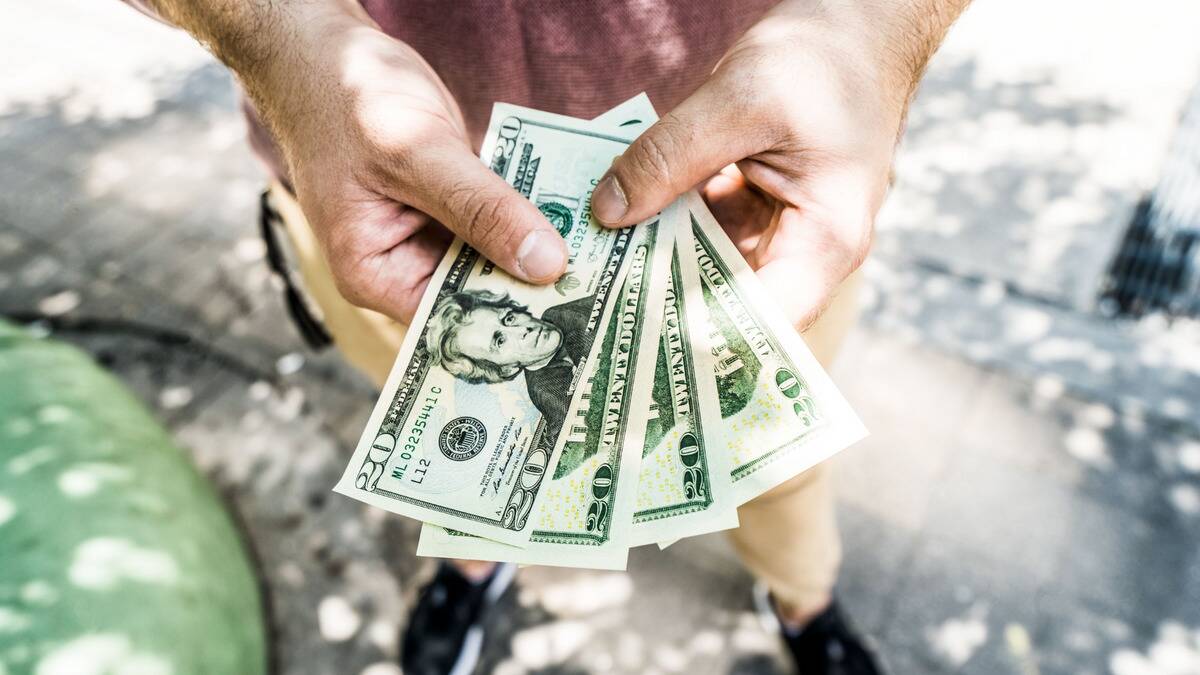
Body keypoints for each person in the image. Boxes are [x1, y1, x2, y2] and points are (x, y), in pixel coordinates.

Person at [122, 1, 971, 673]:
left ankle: (802, 596)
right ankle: (472, 559)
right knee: (460, 460)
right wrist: (276, 34)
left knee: (775, 462)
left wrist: (874, 29)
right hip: (376, 200)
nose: (503, 337)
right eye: (493, 345)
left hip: (755, 202)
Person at [424, 289, 592, 436]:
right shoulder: (543, 391)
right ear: (506, 370)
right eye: (500, 341)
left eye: (509, 318)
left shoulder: (563, 315)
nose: (523, 330)